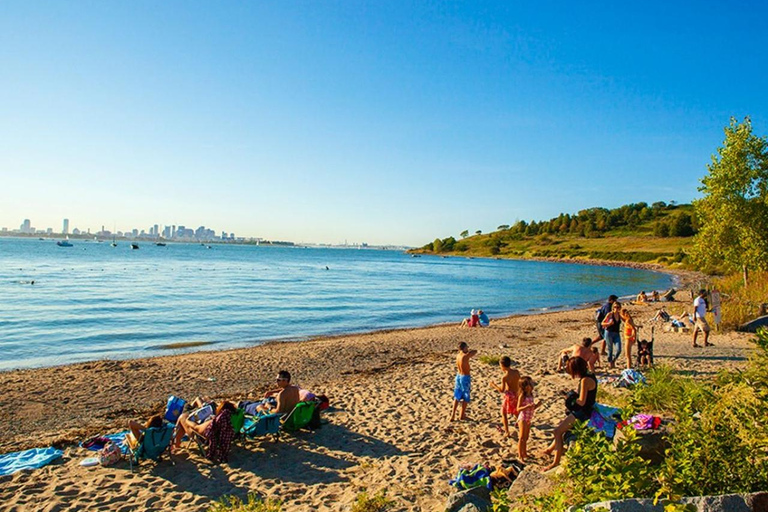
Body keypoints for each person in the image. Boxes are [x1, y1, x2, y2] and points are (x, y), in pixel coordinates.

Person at [543, 357, 597, 471]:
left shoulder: (585, 380)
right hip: (587, 410)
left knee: (557, 431)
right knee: (562, 428)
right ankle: (549, 450)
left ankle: (555, 462)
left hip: (583, 413)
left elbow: (581, 402)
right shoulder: (590, 375)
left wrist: (570, 398)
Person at [490, 356, 520, 437]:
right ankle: (520, 425)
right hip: (517, 394)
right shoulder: (516, 372)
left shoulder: (505, 377)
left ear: (502, 366)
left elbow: (501, 390)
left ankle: (507, 431)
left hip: (509, 396)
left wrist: (494, 385)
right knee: (516, 411)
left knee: (503, 413)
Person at [450, 342, 477, 421]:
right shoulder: (465, 356)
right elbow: (475, 352)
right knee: (465, 396)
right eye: (466, 347)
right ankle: (462, 415)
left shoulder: (458, 355)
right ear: (464, 348)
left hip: (458, 376)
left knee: (457, 396)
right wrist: (468, 352)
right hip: (465, 377)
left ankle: (453, 414)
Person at [516, 377, 541, 462]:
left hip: (529, 418)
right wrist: (526, 406)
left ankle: (525, 453)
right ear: (525, 386)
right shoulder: (522, 396)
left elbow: (532, 408)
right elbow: (518, 409)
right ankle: (520, 455)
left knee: (526, 437)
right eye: (529, 384)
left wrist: (537, 405)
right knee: (521, 437)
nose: (531, 385)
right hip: (523, 418)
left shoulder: (531, 395)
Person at [601, 301, 623, 369]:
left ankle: (613, 360)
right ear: (613, 307)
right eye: (615, 307)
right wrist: (609, 324)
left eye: (618, 307)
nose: (616, 308)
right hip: (609, 333)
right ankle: (610, 362)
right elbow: (602, 323)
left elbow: (627, 320)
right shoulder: (610, 314)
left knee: (619, 349)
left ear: (620, 308)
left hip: (616, 333)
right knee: (610, 349)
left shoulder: (620, 315)